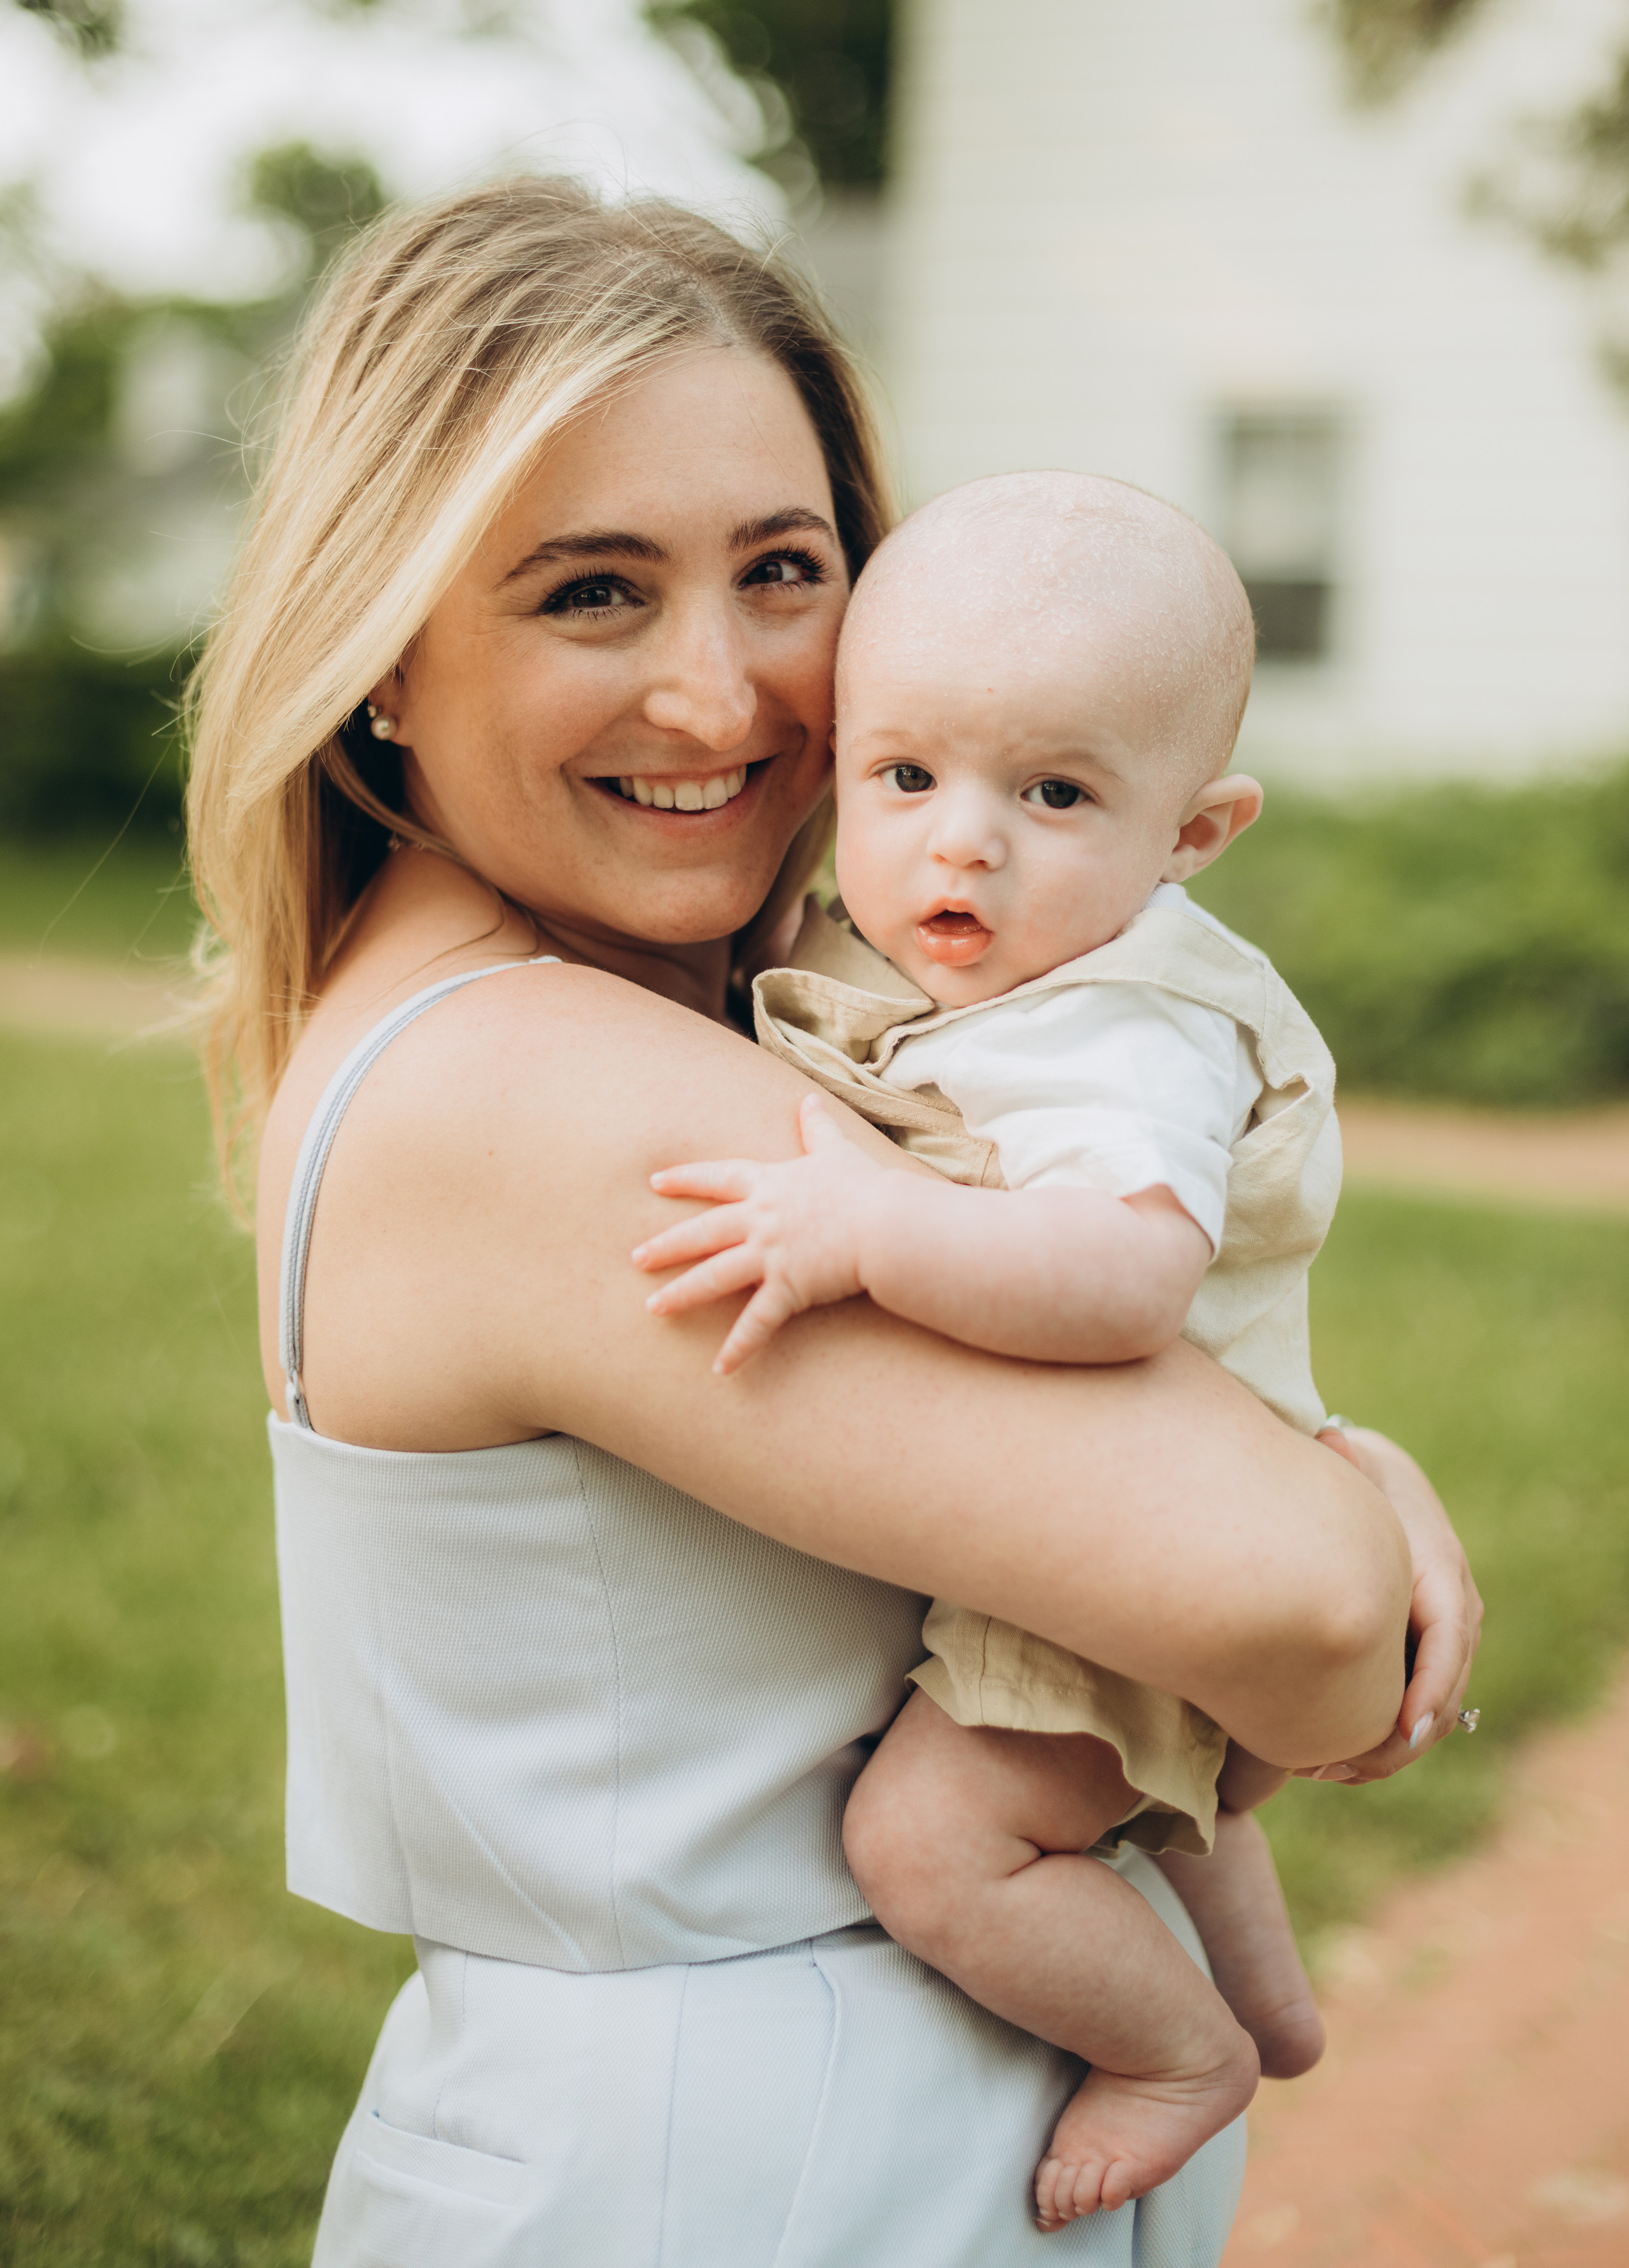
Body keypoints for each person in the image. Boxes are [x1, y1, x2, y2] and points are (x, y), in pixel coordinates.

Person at [185, 176, 1479, 2267]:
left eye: (782, 573)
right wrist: (1351, 1510)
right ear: (383, 664)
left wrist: (1334, 1469)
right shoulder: (531, 1085)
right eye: (591, 594)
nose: (726, 699)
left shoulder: (620, 1025)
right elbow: (1314, 1633)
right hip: (744, 2173)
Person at [632, 468, 1357, 2229]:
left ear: (1195, 833)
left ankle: (1175, 2049)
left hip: (1122, 1572)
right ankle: (1267, 2002)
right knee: (1176, 1803)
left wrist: (874, 1232)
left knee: (930, 1842)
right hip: (1184, 1535)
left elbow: (1117, 1281)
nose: (962, 843)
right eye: (905, 777)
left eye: (1051, 792)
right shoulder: (1045, 973)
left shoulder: (1124, 1033)